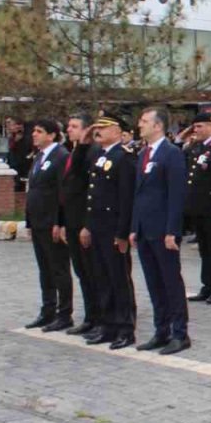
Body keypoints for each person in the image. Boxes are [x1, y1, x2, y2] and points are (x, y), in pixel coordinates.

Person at [129, 107, 190, 354]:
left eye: (144, 121)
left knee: (170, 282)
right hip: (145, 230)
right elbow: (138, 194)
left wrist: (172, 231)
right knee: (154, 283)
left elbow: (177, 195)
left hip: (163, 230)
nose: (139, 125)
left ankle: (180, 333)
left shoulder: (171, 153)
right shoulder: (143, 153)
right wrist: (134, 227)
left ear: (158, 126)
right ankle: (161, 330)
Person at [80, 113, 137, 349]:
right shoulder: (99, 155)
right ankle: (108, 324)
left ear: (117, 131)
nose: (98, 132)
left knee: (118, 279)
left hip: (113, 228)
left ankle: (125, 328)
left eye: (104, 128)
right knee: (102, 278)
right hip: (97, 226)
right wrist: (87, 225)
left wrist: (122, 233)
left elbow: (126, 199)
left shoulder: (123, 157)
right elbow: (92, 195)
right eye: (97, 128)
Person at [177, 112, 211, 306]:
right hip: (198, 207)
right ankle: (207, 285)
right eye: (195, 127)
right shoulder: (195, 148)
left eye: (200, 126)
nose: (196, 130)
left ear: (210, 126)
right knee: (204, 249)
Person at [23, 119, 73, 331]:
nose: (34, 134)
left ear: (52, 135)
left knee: (59, 269)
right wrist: (28, 220)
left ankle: (64, 313)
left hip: (51, 222)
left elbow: (62, 193)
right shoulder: (39, 157)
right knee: (45, 269)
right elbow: (33, 190)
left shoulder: (60, 156)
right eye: (34, 131)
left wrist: (59, 222)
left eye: (39, 131)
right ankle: (48, 309)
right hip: (38, 221)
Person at [59, 114, 100, 336]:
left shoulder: (92, 152)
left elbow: (90, 192)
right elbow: (68, 189)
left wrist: (87, 225)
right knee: (82, 272)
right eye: (69, 126)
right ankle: (90, 317)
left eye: (74, 126)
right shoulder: (75, 151)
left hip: (85, 222)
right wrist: (65, 222)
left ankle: (100, 317)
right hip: (72, 221)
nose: (69, 129)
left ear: (87, 130)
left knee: (93, 273)